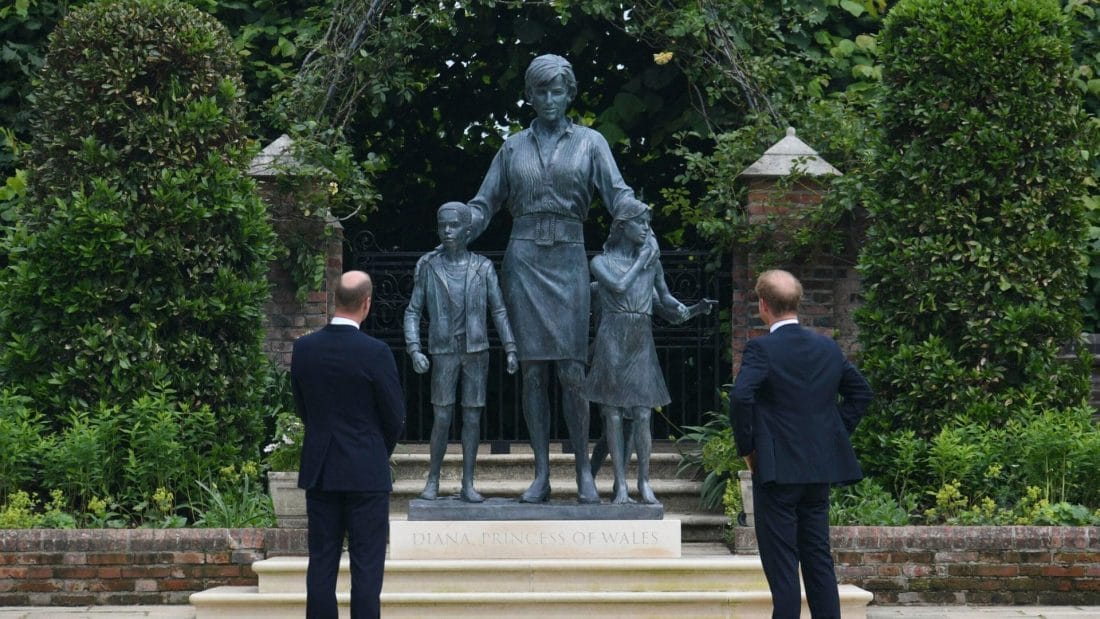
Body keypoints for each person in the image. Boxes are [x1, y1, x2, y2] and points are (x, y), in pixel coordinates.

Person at [466, 53, 643, 504]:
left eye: (556, 90)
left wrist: (640, 223)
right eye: (540, 91)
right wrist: (461, 222)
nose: (548, 98)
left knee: (571, 369)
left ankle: (583, 470)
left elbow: (617, 193)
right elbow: (485, 203)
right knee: (531, 373)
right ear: (529, 95)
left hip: (568, 258)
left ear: (570, 94)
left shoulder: (591, 143)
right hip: (523, 260)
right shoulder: (512, 148)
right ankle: (541, 473)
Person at [729, 269, 872, 619]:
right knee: (818, 559)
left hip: (777, 473)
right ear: (797, 302)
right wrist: (831, 436)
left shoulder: (761, 349)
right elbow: (860, 393)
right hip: (818, 470)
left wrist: (749, 450)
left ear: (763, 306)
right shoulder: (826, 346)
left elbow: (740, 398)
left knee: (782, 569)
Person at [582, 200, 714, 504]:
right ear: (622, 226)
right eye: (640, 222)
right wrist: (642, 260)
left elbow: (667, 303)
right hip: (612, 337)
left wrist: (693, 309)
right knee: (612, 414)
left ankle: (643, 481)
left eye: (647, 223)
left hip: (640, 339)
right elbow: (616, 286)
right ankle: (620, 486)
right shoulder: (601, 262)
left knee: (643, 413)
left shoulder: (651, 263)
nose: (646, 228)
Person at [291, 270, 406, 619]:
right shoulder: (376, 352)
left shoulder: (304, 348)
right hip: (365, 474)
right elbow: (395, 416)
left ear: (333, 299)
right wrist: (374, 451)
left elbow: (302, 407)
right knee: (367, 567)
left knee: (322, 562)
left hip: (321, 470)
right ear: (367, 303)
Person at [404, 201, 519, 503]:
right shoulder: (429, 267)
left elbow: (499, 309)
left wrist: (510, 347)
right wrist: (414, 348)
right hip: (443, 351)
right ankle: (433, 480)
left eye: (454, 226)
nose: (447, 231)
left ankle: (468, 483)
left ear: (468, 231)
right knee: (441, 417)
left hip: (476, 351)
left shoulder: (482, 267)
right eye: (443, 225)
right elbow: (413, 311)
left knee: (472, 418)